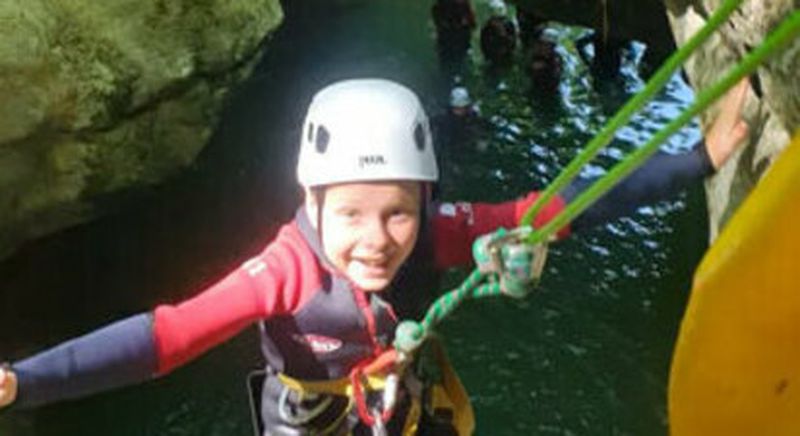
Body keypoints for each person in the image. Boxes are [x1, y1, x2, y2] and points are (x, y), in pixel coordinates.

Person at [0, 78, 749, 434]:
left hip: (394, 410)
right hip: (310, 423)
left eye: (398, 212)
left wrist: (699, 162)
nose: (377, 240)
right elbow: (165, 338)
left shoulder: (441, 235)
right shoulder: (287, 267)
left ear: (425, 203)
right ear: (313, 203)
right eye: (351, 213)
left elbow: (558, 209)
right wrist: (23, 383)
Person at [431, 0, 477, 67]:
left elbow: (472, 24)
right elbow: (473, 24)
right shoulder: (464, 4)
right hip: (456, 40)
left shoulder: (438, 7)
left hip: (450, 41)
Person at [479, 0, 517, 66]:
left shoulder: (508, 25)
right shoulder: (487, 27)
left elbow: (513, 42)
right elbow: (484, 44)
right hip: (493, 57)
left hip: (506, 56)